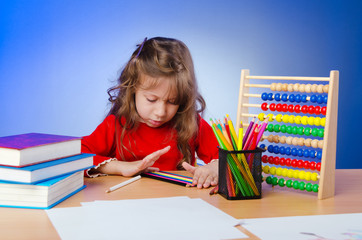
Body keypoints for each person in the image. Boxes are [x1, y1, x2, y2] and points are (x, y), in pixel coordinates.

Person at [82, 37, 219, 188]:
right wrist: (120, 167)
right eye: (151, 100)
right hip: (127, 205)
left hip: (178, 205)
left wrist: (213, 169)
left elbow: (228, 160)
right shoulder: (115, 125)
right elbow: (76, 158)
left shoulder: (192, 123)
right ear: (133, 89)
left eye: (172, 101)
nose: (160, 112)